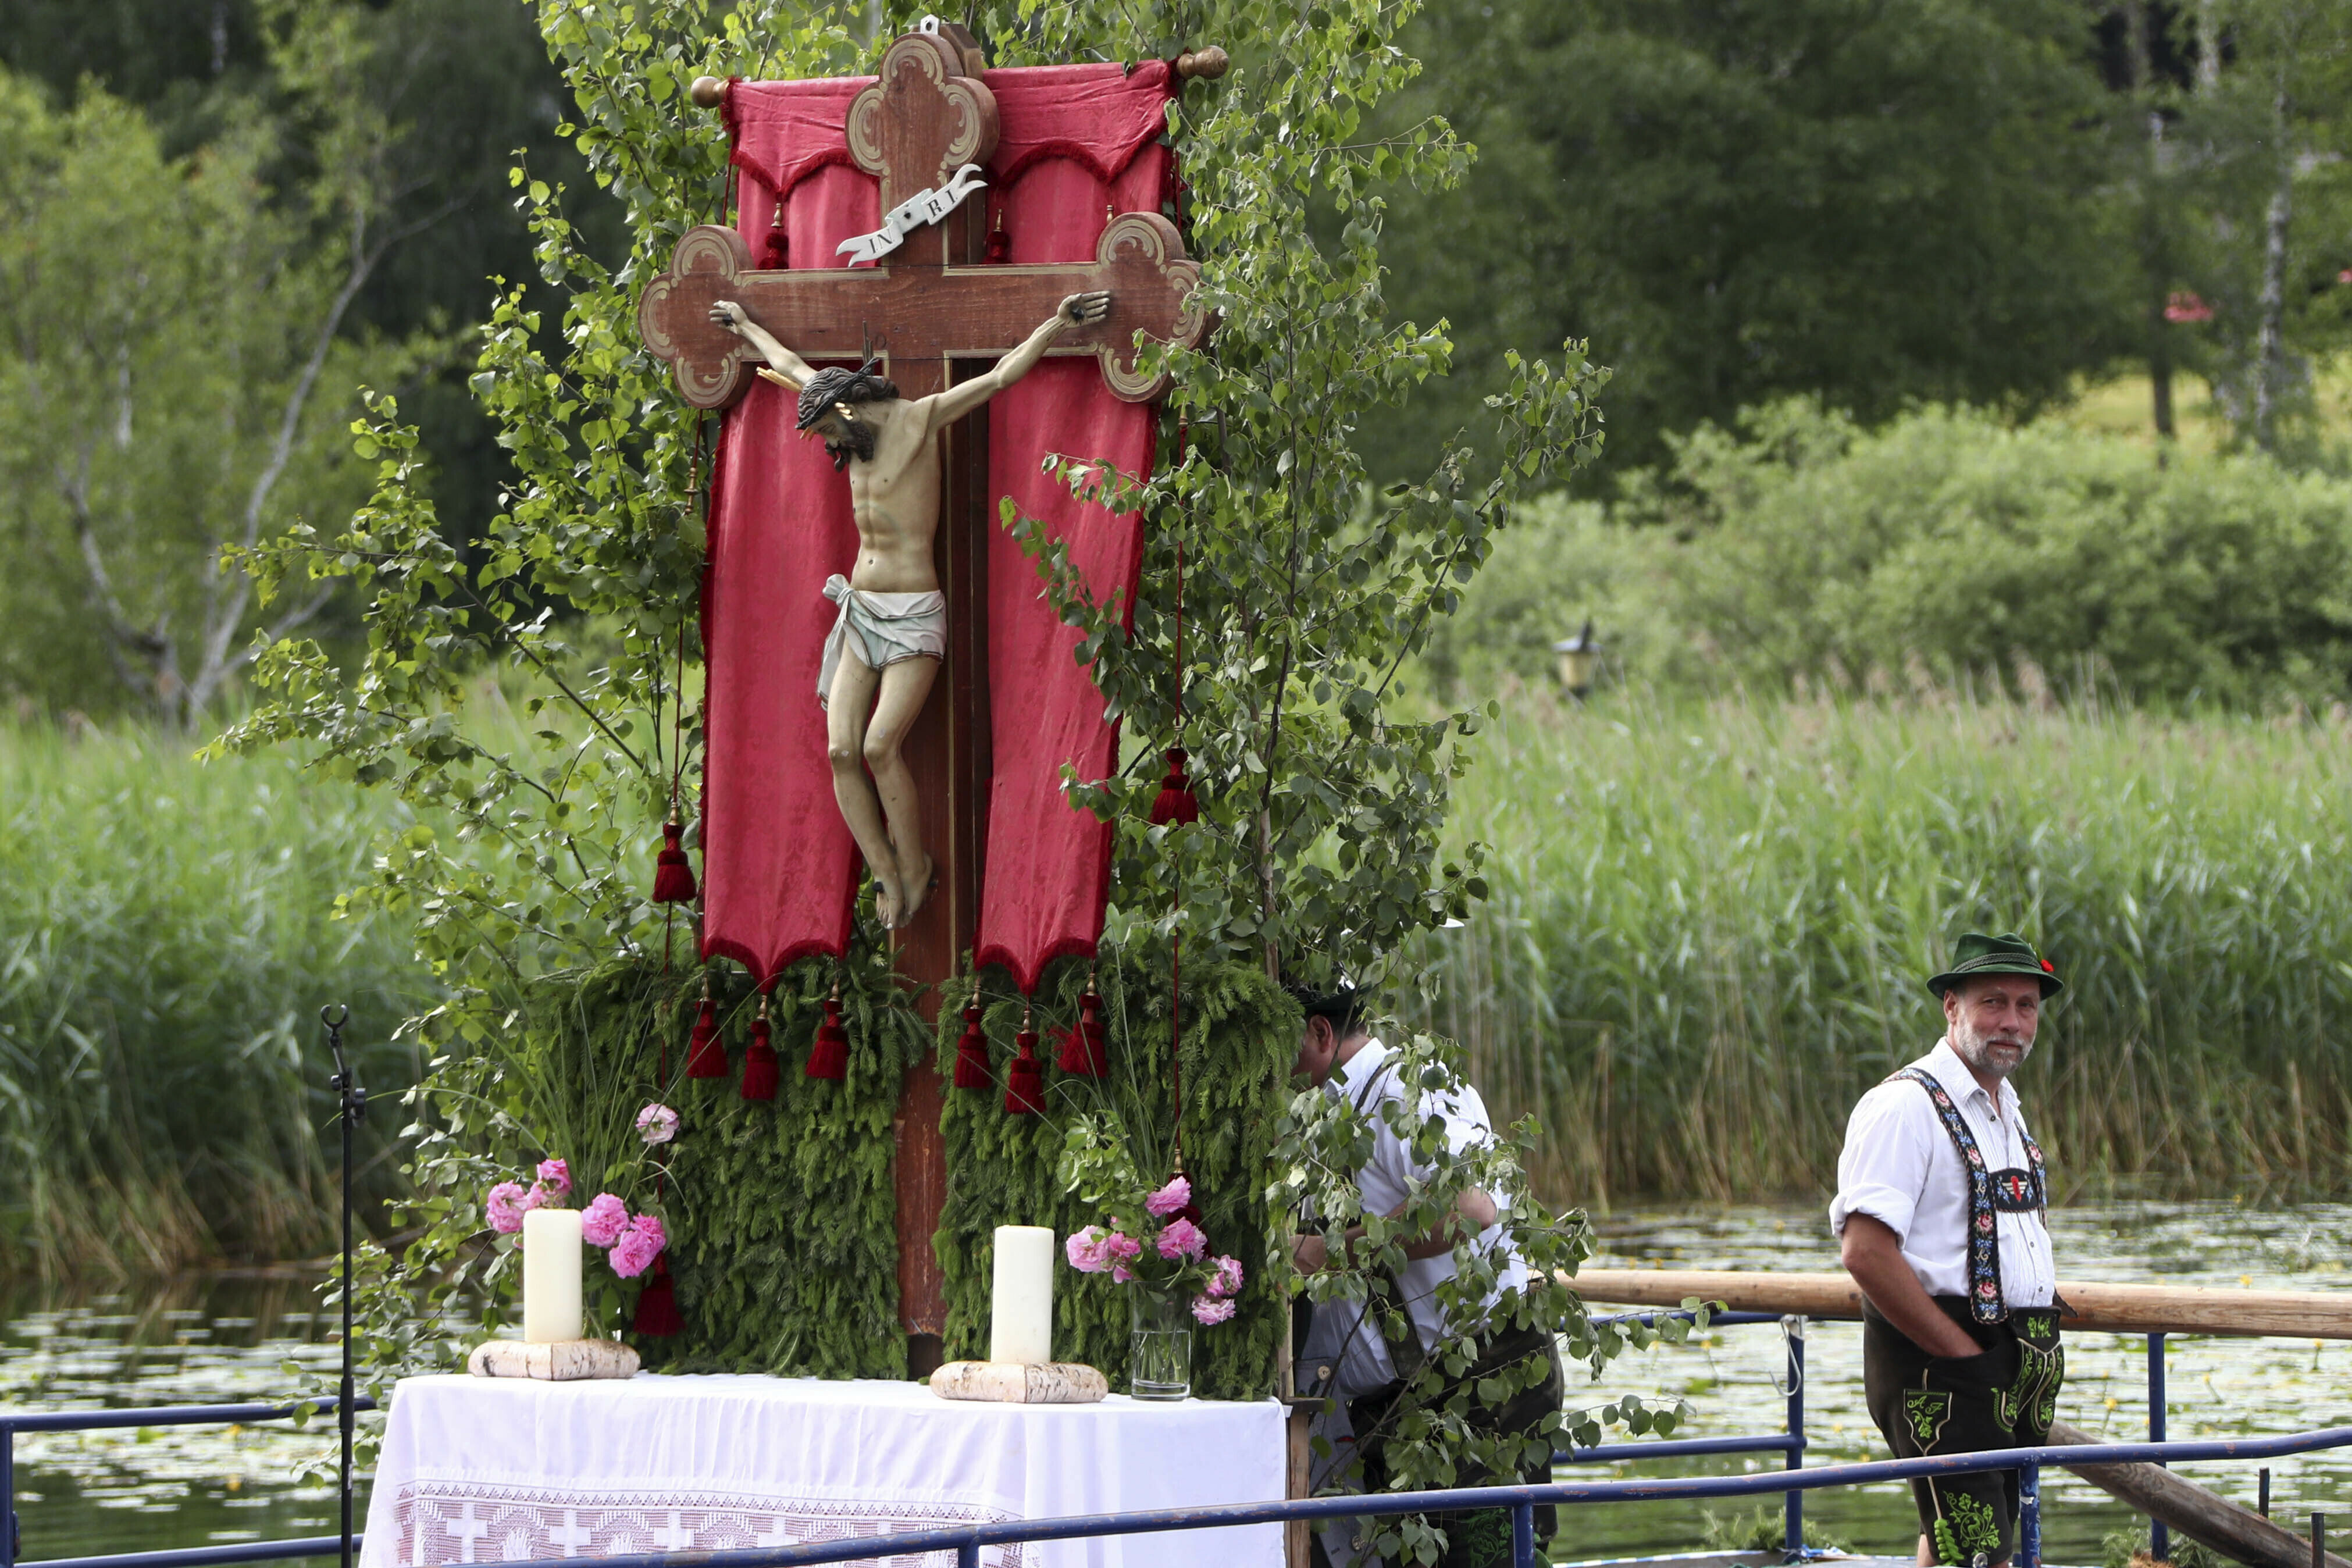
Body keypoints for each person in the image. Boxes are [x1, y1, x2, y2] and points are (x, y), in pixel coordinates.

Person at [704, 289, 1111, 928]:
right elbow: (787, 361)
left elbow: (1002, 375)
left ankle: (916, 865)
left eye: (828, 432)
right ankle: (887, 870)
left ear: (849, 408)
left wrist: (1057, 323)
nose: (827, 445)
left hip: (914, 610)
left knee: (878, 744)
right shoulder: (834, 410)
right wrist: (747, 325)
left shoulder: (919, 419)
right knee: (840, 750)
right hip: (861, 610)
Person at [1287, 979, 1562, 1568]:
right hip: (1406, 1403)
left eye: (1281, 1042)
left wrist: (1330, 1251)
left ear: (1320, 1031)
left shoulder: (1409, 1087)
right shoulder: (1325, 1113)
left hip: (1482, 1384)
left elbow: (1470, 1207)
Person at [1832, 932, 2068, 1568]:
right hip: (1941, 1368)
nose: (2012, 1022)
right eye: (1994, 1002)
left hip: (2008, 1363)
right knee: (1979, 1549)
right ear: (1951, 1007)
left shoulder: (2004, 1107)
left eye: (2027, 1005)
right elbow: (1864, 1249)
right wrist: (1959, 1351)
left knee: (1962, 1538)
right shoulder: (1904, 1106)